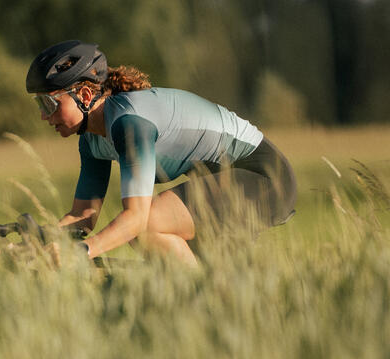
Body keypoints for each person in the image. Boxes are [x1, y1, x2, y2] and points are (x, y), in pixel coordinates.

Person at [26, 40, 297, 265]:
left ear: (85, 96)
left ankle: (201, 307)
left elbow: (136, 218)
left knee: (146, 228)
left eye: (49, 103)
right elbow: (83, 216)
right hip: (227, 182)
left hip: (266, 179)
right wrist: (34, 245)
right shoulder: (91, 140)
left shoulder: (129, 123)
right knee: (198, 271)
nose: (43, 115)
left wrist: (81, 252)